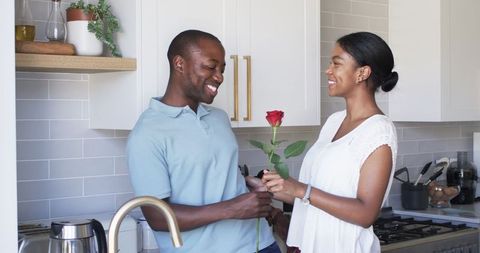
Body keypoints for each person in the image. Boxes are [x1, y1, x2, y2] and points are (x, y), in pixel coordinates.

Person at [126, 29, 281, 253]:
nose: (219, 77)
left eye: (221, 69)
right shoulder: (146, 134)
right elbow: (158, 217)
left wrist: (246, 182)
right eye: (210, 67)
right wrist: (232, 209)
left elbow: (209, 172)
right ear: (179, 63)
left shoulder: (218, 118)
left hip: (261, 244)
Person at [261, 31, 399, 253]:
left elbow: (366, 214)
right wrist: (280, 188)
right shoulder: (334, 122)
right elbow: (316, 195)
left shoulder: (378, 131)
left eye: (337, 64)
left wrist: (300, 190)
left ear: (362, 73)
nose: (328, 70)